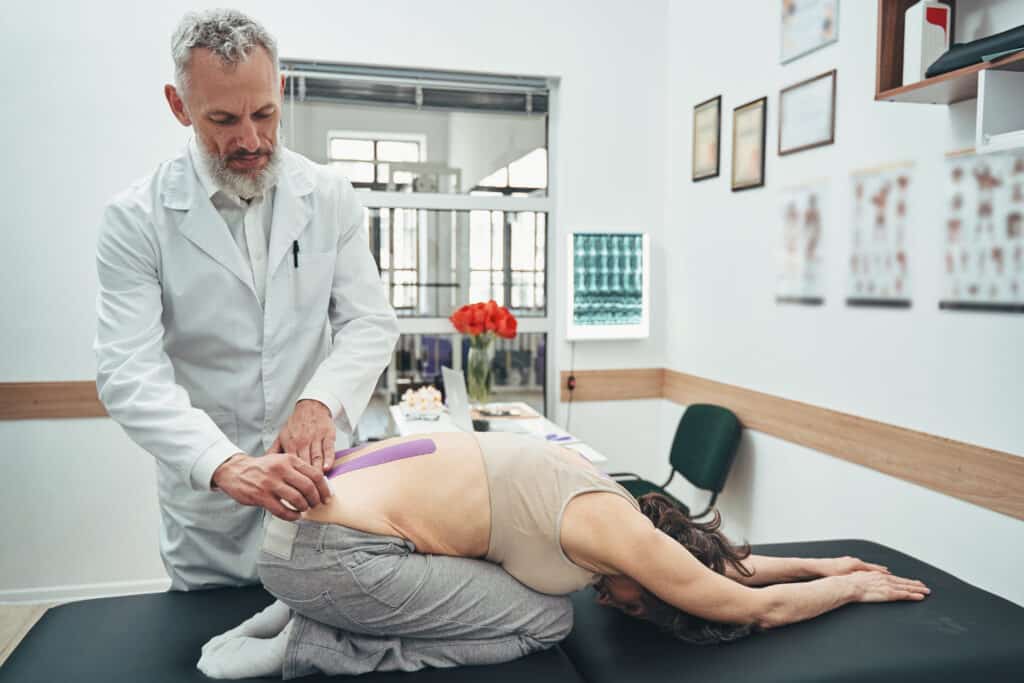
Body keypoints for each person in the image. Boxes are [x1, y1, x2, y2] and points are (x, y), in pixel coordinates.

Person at [197, 432, 930, 679]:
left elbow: (727, 565)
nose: (612, 602)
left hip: (294, 532)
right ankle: (317, 642)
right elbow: (750, 603)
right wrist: (853, 591)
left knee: (486, 563)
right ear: (656, 570)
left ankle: (292, 609)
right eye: (637, 599)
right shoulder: (623, 541)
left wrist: (833, 562)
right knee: (548, 618)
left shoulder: (607, 493)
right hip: (332, 560)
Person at [94, 9, 399, 590]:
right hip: (212, 504)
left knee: (331, 633)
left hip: (321, 480)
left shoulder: (329, 197)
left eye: (264, 113)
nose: (251, 139)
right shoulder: (136, 219)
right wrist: (226, 464)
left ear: (280, 89)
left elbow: (370, 323)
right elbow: (128, 372)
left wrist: (320, 403)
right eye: (223, 120)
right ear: (179, 106)